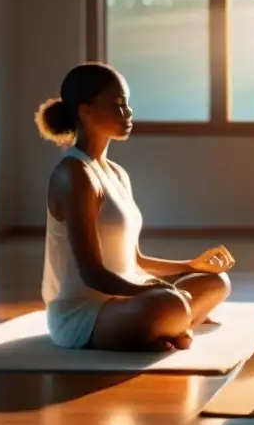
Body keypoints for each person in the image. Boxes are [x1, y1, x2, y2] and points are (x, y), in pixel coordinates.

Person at [34, 62, 235, 352]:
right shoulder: (74, 174)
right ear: (85, 111)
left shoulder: (116, 173)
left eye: (127, 103)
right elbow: (91, 274)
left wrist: (191, 266)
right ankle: (169, 325)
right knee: (171, 303)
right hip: (84, 315)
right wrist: (148, 291)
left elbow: (134, 260)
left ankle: (166, 328)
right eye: (117, 104)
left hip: (127, 299)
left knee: (216, 282)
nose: (127, 112)